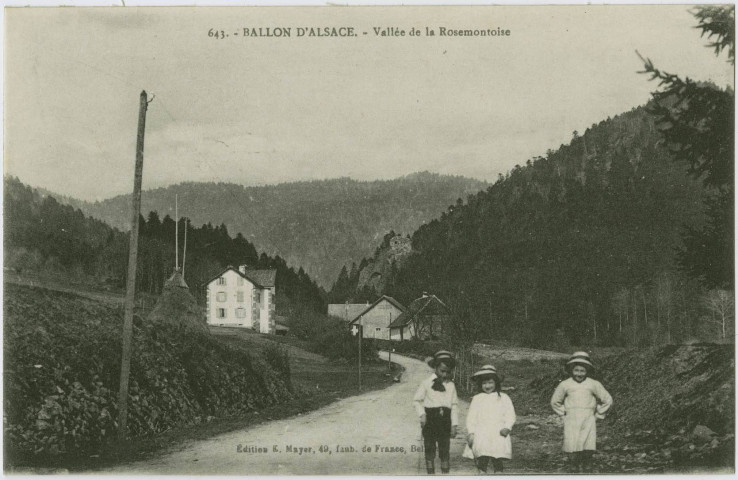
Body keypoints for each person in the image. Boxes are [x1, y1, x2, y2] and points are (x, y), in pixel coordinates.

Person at [550, 351, 613, 473]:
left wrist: (598, 414)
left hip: (588, 417)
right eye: (576, 370)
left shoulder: (593, 384)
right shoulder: (565, 384)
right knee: (571, 441)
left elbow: (607, 400)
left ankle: (587, 464)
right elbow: (555, 401)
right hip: (571, 418)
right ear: (572, 370)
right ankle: (573, 465)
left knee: (588, 442)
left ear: (587, 371)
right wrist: (564, 413)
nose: (579, 374)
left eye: (582, 371)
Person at [463, 365, 516, 474]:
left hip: (498, 433)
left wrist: (507, 427)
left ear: (496, 383)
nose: (487, 386)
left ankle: (498, 473)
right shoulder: (477, 399)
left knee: (497, 459)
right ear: (480, 384)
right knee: (482, 458)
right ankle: (482, 473)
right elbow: (471, 417)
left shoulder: (503, 397)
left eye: (490, 382)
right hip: (481, 433)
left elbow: (510, 414)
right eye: (484, 383)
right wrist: (471, 432)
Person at [413, 350, 458, 474]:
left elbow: (454, 405)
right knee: (429, 446)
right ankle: (430, 472)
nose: (444, 375)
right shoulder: (427, 383)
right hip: (430, 419)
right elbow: (417, 400)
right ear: (435, 368)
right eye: (442, 371)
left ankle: (445, 473)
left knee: (445, 447)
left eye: (448, 372)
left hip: (445, 421)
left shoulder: (451, 386)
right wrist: (422, 415)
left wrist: (454, 425)